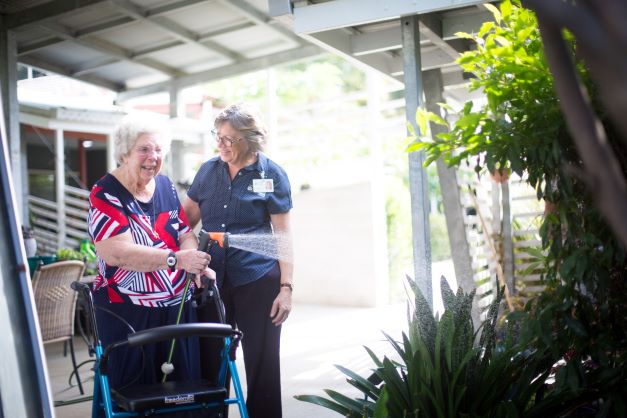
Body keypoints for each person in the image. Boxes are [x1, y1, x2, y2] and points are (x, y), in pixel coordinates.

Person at [87, 114, 213, 397]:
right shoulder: (105, 193)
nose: (152, 157)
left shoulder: (166, 186)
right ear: (124, 152)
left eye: (158, 149)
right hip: (127, 309)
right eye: (143, 149)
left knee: (182, 392)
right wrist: (177, 259)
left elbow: (184, 233)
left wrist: (195, 263)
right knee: (136, 391)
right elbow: (116, 252)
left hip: (175, 306)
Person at [183, 103, 294, 418]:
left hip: (258, 280)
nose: (221, 144)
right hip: (211, 281)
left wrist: (286, 287)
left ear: (250, 139)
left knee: (262, 363)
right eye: (218, 137)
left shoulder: (272, 174)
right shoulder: (208, 171)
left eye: (229, 139)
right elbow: (183, 221)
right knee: (210, 362)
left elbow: (283, 237)